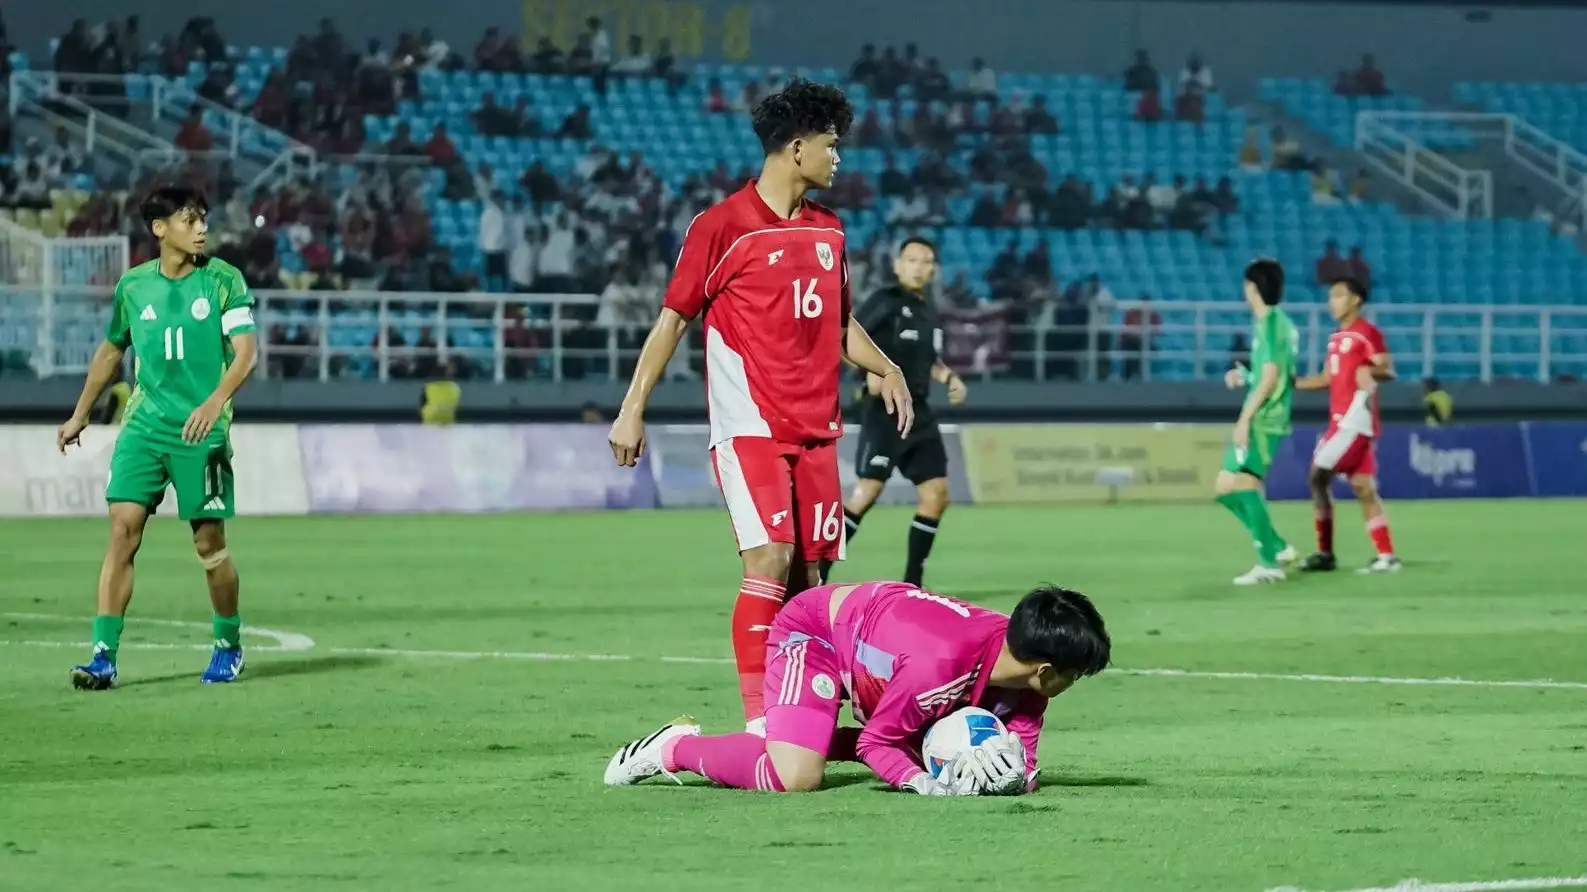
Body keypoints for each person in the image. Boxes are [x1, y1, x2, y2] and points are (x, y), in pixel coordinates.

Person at [606, 81, 914, 734]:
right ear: (796, 148)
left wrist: (884, 365)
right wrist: (632, 408)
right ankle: (759, 727)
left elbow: (837, 324)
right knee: (769, 559)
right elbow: (672, 321)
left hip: (818, 431)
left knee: (812, 575)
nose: (839, 160)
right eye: (831, 147)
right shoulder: (721, 227)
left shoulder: (830, 231)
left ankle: (806, 711)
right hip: (751, 428)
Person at [603, 582, 1110, 795]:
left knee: (918, 736)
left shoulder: (1022, 666)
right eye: (1074, 675)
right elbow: (875, 743)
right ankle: (673, 748)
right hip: (819, 633)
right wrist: (924, 784)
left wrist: (1014, 777)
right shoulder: (941, 668)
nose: (1074, 684)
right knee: (795, 777)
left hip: (887, 654)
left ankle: (815, 736)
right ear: (1045, 670)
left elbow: (1021, 757)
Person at [56, 185, 259, 689]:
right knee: (122, 530)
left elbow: (247, 352)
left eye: (203, 219)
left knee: (209, 543)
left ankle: (228, 643)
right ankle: (102, 657)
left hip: (201, 431)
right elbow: (110, 351)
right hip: (144, 427)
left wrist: (214, 402)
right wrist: (82, 412)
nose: (202, 229)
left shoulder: (223, 281)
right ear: (159, 229)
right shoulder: (133, 286)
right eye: (191, 220)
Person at [822, 236, 965, 587]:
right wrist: (871, 371)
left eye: (926, 261)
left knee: (936, 494)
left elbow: (926, 358)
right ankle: (819, 569)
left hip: (919, 411)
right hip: (883, 409)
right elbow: (842, 335)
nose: (919, 267)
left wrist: (947, 375)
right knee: (868, 491)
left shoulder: (929, 311)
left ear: (933, 270)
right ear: (898, 265)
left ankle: (913, 582)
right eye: (912, 260)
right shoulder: (885, 301)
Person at [1295, 277, 1401, 573]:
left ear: (1355, 299)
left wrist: (1369, 369)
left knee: (1317, 476)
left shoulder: (1368, 333)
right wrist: (1293, 382)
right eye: (1331, 296)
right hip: (1340, 422)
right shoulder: (1335, 337)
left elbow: (1387, 368)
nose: (1332, 301)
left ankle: (1325, 553)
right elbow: (1327, 378)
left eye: (1338, 295)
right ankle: (1386, 556)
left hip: (1355, 421)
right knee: (1362, 487)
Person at [1215, 259, 1299, 585]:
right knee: (1225, 488)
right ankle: (1277, 546)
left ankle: (1269, 564)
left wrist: (1244, 418)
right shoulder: (1281, 324)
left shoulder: (1269, 326)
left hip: (1264, 420)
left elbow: (1271, 377)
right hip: (1267, 413)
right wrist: (1246, 375)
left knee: (1246, 486)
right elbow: (1272, 374)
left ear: (1253, 287)